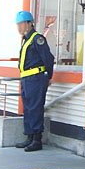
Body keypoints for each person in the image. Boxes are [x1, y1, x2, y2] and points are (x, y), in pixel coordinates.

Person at [14, 10, 55, 152]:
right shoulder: (26, 39)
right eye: (17, 24)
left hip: (36, 78)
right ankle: (29, 136)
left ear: (29, 23)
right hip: (26, 78)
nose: (19, 27)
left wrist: (48, 76)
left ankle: (37, 139)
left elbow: (48, 58)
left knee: (35, 107)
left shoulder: (37, 39)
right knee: (28, 108)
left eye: (21, 24)